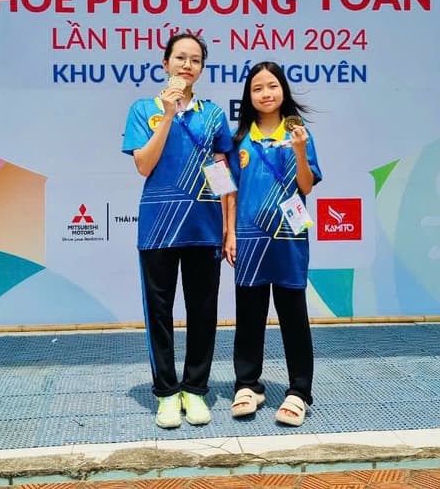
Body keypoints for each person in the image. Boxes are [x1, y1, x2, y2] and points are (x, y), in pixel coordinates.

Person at [122, 33, 233, 429]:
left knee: (204, 313)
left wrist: (228, 227)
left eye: (196, 60)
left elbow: (221, 173)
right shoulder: (143, 110)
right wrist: (167, 115)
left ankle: (196, 390)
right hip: (158, 230)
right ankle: (167, 394)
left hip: (204, 229)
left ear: (202, 68)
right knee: (160, 314)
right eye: (181, 58)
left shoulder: (213, 114)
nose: (188, 65)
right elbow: (143, 166)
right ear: (165, 62)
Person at [223, 61, 322, 427]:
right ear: (249, 97)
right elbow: (228, 191)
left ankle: (299, 392)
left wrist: (298, 149)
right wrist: (230, 234)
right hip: (249, 239)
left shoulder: (300, 132)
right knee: (249, 316)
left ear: (283, 90)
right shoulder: (239, 140)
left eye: (272, 86)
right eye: (257, 88)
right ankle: (248, 384)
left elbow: (307, 186)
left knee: (293, 315)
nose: (266, 93)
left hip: (288, 237)